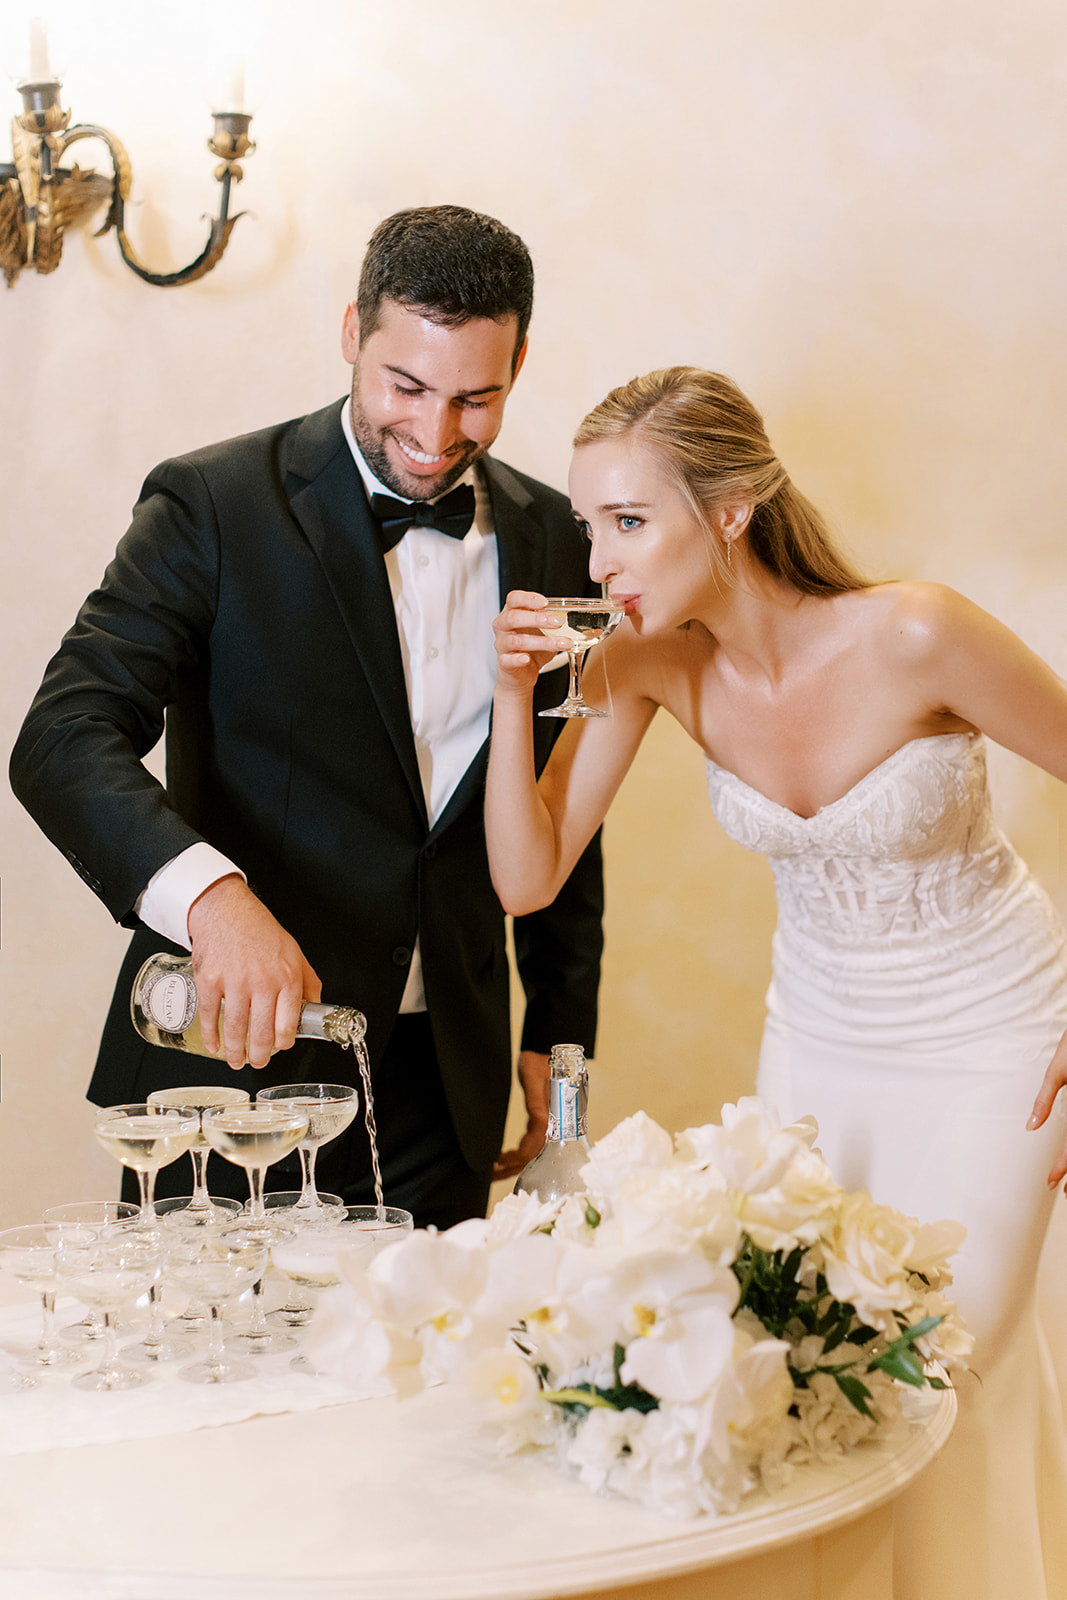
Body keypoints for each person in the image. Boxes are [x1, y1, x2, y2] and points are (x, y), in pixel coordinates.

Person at [486, 365, 1067, 1599]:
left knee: (943, 1358)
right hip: (814, 1041)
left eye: (627, 522)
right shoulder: (643, 664)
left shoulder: (917, 631)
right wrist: (507, 695)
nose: (598, 559)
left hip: (991, 1034)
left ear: (731, 509)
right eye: (588, 525)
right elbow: (526, 876)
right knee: (813, 1362)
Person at [10, 205, 603, 1230]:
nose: (432, 433)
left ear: (517, 365)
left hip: (445, 1092)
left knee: (430, 1386)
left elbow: (561, 809)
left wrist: (564, 1059)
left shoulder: (553, 532)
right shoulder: (212, 505)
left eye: (476, 399)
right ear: (349, 335)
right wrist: (213, 904)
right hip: (233, 1079)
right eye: (404, 386)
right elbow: (63, 737)